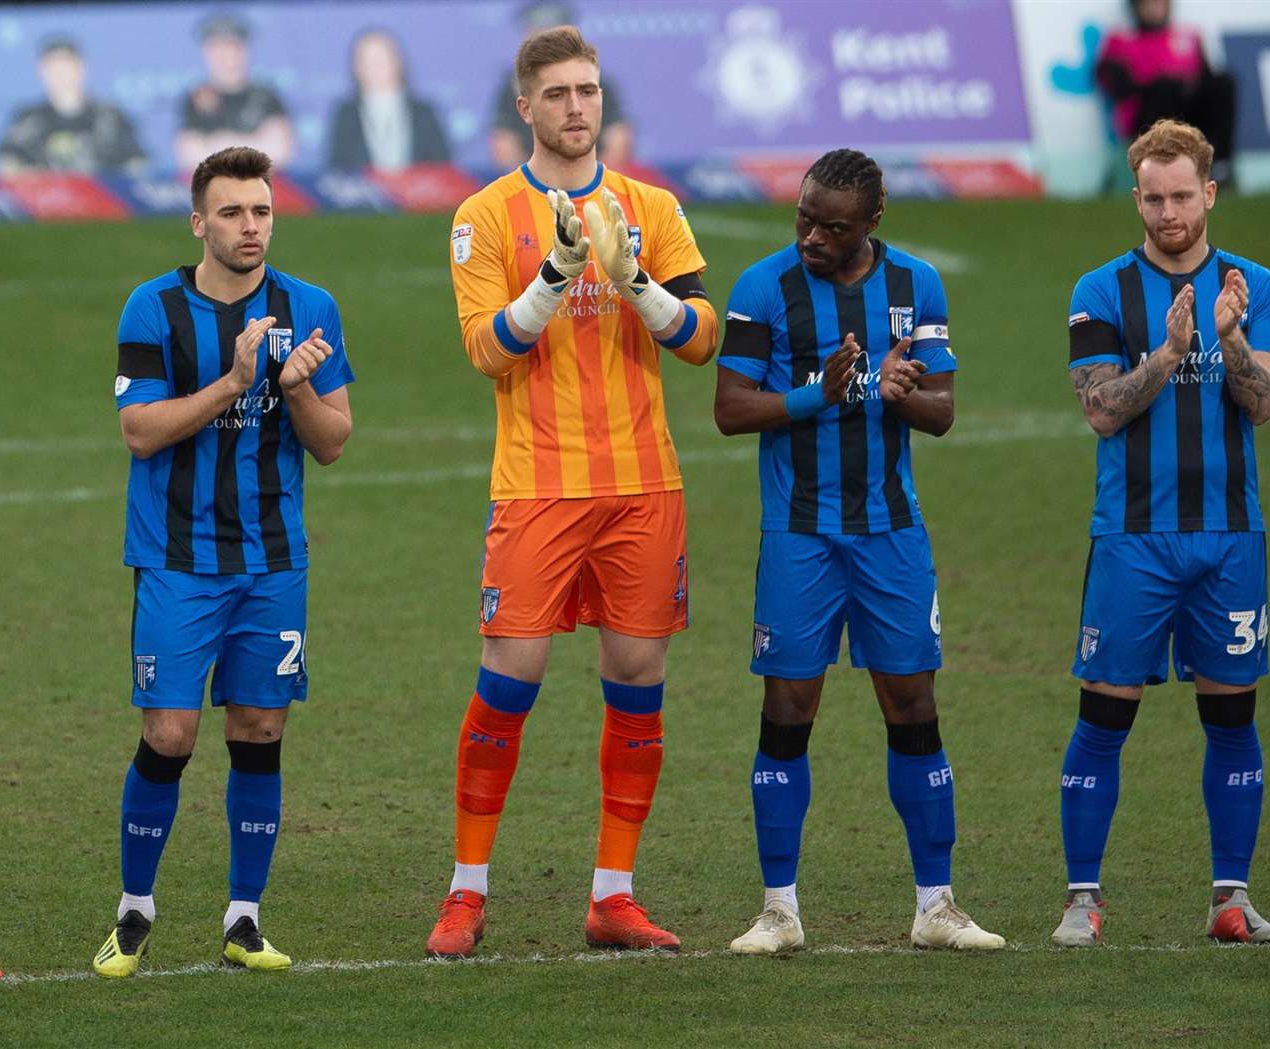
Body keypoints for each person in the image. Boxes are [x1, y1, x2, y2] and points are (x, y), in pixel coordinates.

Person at [429, 25, 716, 959]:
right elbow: (486, 350)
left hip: (643, 484)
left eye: (587, 90)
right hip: (538, 488)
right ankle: (467, 892)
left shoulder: (651, 207)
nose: (576, 107)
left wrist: (637, 282)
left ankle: (613, 896)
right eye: (556, 94)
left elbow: (704, 337)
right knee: (508, 682)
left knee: (637, 682)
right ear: (525, 106)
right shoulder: (483, 216)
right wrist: (556, 274)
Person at [712, 149, 1004, 956]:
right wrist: (821, 393)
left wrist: (901, 390)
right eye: (804, 215)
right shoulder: (762, 287)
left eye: (831, 226)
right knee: (786, 711)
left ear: (872, 224)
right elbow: (731, 409)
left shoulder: (916, 286)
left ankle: (936, 904)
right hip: (799, 536)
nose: (810, 234)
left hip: (891, 536)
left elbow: (942, 411)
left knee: (912, 706)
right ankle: (779, 908)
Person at [93, 146, 354, 978]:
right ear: (199, 221)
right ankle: (135, 909)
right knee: (169, 732)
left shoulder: (311, 306)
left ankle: (244, 918)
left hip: (273, 561)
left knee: (260, 728)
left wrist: (297, 387)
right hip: (177, 559)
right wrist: (237, 380)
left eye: (263, 211)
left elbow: (334, 442)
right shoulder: (152, 307)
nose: (252, 227)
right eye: (234, 212)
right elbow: (139, 431)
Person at [1055, 119, 1270, 947]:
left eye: (1182, 195)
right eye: (1153, 197)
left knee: (1233, 717)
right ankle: (1083, 899)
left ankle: (1231, 899)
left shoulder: (1254, 284)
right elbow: (1101, 412)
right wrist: (1167, 352)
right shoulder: (1100, 290)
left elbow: (1263, 403)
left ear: (1210, 192)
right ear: (1137, 196)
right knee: (1103, 717)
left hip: (1230, 538)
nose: (1168, 212)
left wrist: (1226, 343)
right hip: (1133, 539)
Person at [1096, 0, 1237, 183]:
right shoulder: (1120, 41)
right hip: (1147, 115)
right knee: (1164, 89)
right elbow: (1117, 86)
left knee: (1223, 84)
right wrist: (1160, 84)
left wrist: (1182, 87)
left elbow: (1206, 79)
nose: (1155, 9)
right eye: (1148, 5)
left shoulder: (1189, 37)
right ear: (1135, 8)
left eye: (1160, 4)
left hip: (1188, 112)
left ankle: (1219, 165)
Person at [488, 3, 632, 170]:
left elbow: (618, 138)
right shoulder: (512, 89)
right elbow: (503, 145)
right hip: (533, 182)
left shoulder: (597, 82)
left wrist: (594, 184)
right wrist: (533, 185)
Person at [0, 36, 149, 176]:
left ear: (82, 68)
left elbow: (136, 165)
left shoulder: (111, 117)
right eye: (53, 67)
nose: (61, 74)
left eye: (66, 65)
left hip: (103, 203)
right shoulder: (27, 119)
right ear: (42, 71)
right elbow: (8, 165)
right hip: (43, 204)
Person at [174, 14, 295, 171]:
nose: (224, 56)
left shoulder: (266, 96)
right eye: (215, 48)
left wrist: (219, 143)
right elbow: (188, 155)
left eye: (230, 46)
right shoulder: (195, 98)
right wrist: (252, 144)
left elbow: (280, 152)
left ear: (244, 50)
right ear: (206, 53)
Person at [326, 28, 452, 173]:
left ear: (398, 61)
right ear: (355, 66)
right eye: (366, 59)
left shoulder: (423, 111)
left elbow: (443, 167)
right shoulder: (345, 114)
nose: (375, 66)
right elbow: (336, 169)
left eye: (381, 57)